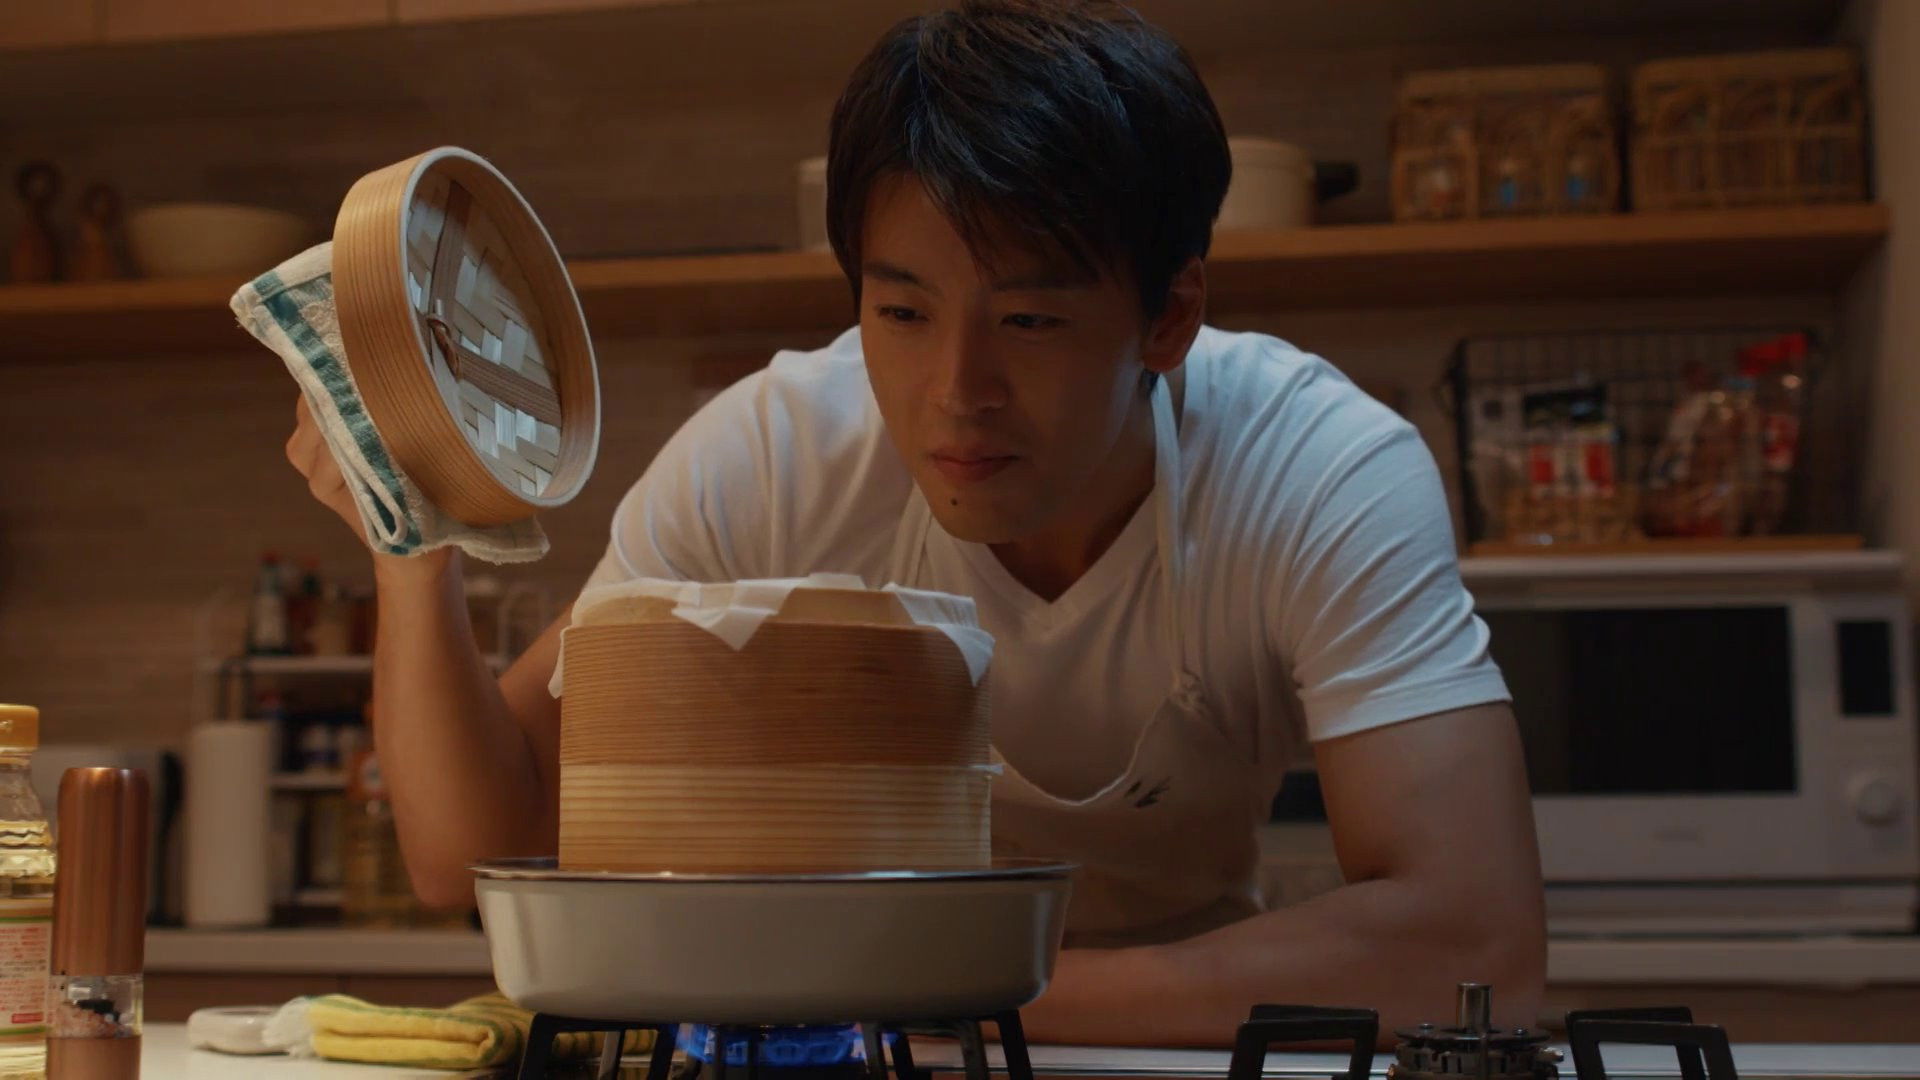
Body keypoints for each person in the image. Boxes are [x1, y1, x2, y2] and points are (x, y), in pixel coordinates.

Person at [284, 0, 1545, 1046]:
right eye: (901, 313)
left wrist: (942, 996)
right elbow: (475, 849)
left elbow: (1477, 942)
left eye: (1032, 321)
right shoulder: (778, 455)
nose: (956, 391)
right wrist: (410, 549)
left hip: (1174, 1035)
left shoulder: (1315, 469)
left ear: (1169, 317)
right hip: (854, 1037)